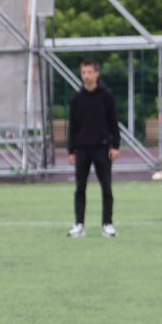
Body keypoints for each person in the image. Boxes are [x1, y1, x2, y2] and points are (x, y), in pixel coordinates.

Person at [67, 59, 120, 238]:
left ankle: (107, 224)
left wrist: (115, 146)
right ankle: (79, 224)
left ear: (97, 74)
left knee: (106, 187)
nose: (86, 76)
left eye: (90, 72)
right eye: (84, 73)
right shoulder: (76, 99)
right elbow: (72, 126)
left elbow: (113, 122)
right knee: (80, 188)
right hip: (82, 149)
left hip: (102, 148)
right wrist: (71, 150)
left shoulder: (106, 97)